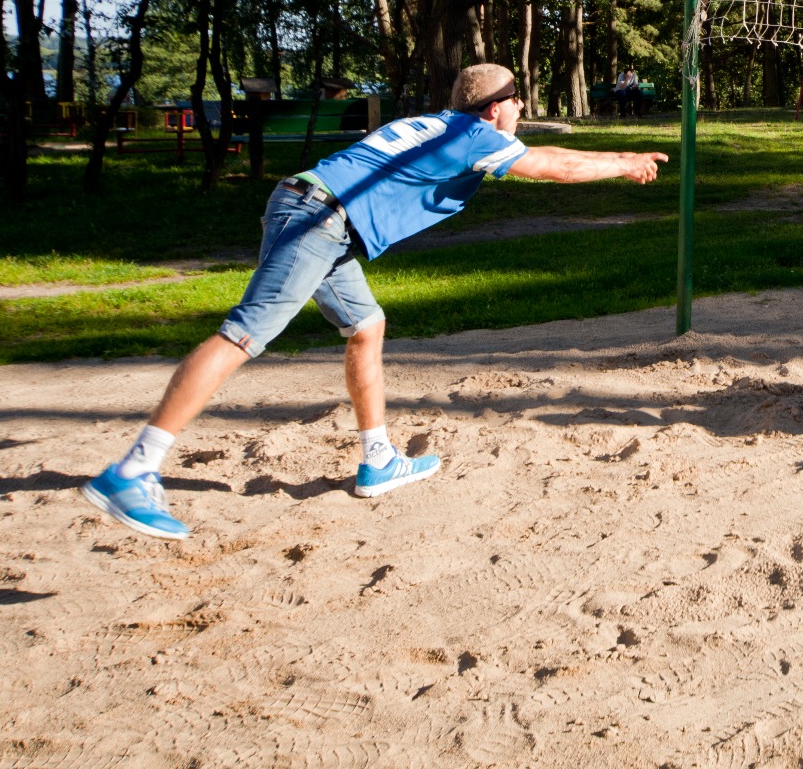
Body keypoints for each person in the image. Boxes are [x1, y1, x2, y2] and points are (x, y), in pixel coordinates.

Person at [81, 64, 669, 539]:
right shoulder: (474, 137)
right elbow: (553, 168)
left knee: (366, 325)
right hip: (321, 220)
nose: (520, 112)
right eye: (518, 101)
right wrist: (624, 165)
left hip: (316, 212)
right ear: (497, 107)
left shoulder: (437, 124)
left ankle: (378, 458)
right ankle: (133, 470)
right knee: (244, 334)